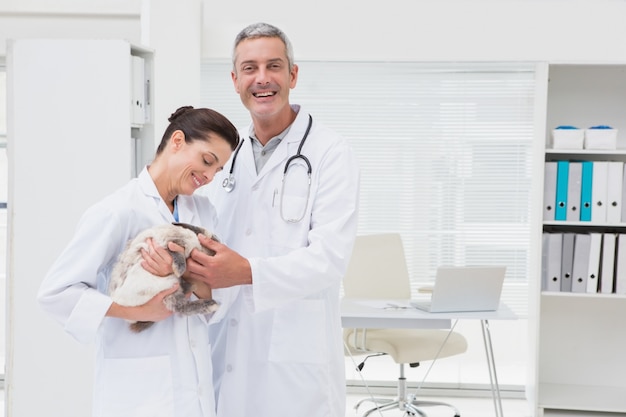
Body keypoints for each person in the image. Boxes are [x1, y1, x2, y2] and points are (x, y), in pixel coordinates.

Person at [187, 22, 360, 417]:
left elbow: (330, 258)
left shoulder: (332, 153)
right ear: (234, 80)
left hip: (295, 365)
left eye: (274, 66)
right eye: (249, 68)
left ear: (293, 75)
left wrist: (246, 271)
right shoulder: (222, 155)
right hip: (223, 349)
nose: (262, 79)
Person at [37, 106, 240, 417]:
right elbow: (56, 293)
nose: (209, 177)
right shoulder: (118, 211)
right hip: (139, 397)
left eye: (217, 170)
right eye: (207, 161)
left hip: (195, 393)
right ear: (177, 141)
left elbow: (217, 300)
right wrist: (140, 310)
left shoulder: (204, 212)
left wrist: (182, 276)